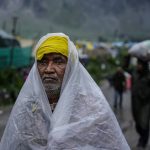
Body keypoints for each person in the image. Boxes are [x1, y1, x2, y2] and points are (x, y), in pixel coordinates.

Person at [0, 33, 130, 150]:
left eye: (58, 61)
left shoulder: (94, 109)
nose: (49, 69)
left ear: (71, 68)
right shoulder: (27, 108)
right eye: (43, 62)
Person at [131, 58, 150, 148]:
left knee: (144, 123)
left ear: (144, 65)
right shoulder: (135, 74)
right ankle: (142, 138)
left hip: (145, 103)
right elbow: (124, 68)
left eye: (140, 64)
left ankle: (143, 141)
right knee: (138, 124)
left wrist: (145, 95)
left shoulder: (148, 76)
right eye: (137, 64)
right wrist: (128, 57)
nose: (138, 66)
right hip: (135, 102)